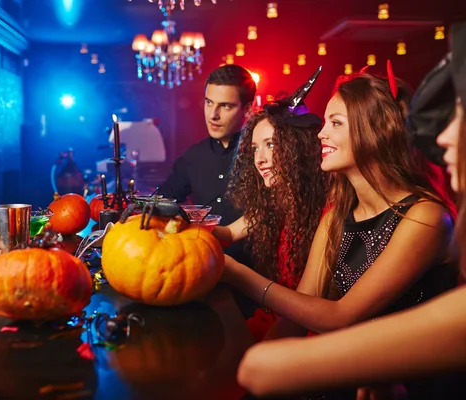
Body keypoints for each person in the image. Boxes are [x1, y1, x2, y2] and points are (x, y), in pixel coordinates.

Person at [229, 22, 466, 400]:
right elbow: (300, 309)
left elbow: (341, 315)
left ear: (374, 131)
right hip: (357, 375)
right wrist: (252, 372)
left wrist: (231, 272)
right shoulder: (340, 209)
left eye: (335, 123)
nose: (321, 134)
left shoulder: (424, 216)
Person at [212, 67, 330, 340]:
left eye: (271, 145)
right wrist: (179, 222)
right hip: (277, 319)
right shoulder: (275, 202)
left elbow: (305, 311)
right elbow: (228, 233)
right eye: (255, 148)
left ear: (296, 148)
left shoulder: (327, 209)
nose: (260, 159)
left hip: (307, 333)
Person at [157, 64, 256, 266]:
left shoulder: (263, 154)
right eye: (209, 103)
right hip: (202, 264)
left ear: (247, 108)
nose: (213, 115)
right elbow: (163, 199)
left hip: (258, 270)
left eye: (225, 106)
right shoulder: (193, 157)